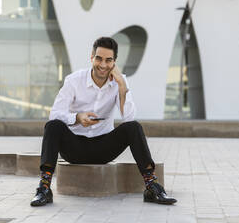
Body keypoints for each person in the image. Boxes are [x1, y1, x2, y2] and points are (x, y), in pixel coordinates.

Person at [30, 37, 177, 206]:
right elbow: (54, 113)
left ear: (114, 62)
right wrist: (77, 117)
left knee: (134, 127)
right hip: (74, 148)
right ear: (92, 57)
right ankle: (44, 188)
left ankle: (151, 187)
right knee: (53, 126)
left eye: (108, 60)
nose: (102, 64)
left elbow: (129, 119)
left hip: (103, 148)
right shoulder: (74, 80)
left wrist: (122, 86)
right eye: (99, 58)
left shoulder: (119, 82)